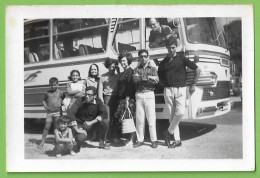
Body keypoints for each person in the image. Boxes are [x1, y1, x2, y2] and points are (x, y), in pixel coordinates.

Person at [158, 38, 201, 148]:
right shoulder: (163, 63)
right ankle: (177, 140)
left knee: (180, 112)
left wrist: (194, 84)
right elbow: (160, 77)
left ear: (175, 47)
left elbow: (197, 69)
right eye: (170, 47)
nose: (172, 50)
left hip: (180, 89)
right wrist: (166, 86)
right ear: (167, 48)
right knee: (172, 117)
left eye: (173, 47)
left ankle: (168, 133)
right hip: (168, 91)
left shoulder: (182, 58)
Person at [68, 86, 110, 151]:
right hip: (81, 124)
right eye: (86, 94)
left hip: (92, 123)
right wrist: (77, 129)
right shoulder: (80, 99)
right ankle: (77, 143)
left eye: (89, 95)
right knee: (80, 138)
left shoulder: (98, 101)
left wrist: (92, 122)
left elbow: (104, 114)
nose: (87, 97)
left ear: (95, 96)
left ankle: (102, 142)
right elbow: (71, 113)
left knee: (105, 122)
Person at [132, 49, 159, 149]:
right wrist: (150, 78)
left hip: (149, 94)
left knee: (151, 119)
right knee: (140, 120)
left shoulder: (153, 69)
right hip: (139, 95)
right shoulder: (136, 69)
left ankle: (154, 140)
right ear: (139, 58)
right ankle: (140, 139)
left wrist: (143, 78)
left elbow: (156, 81)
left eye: (145, 56)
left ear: (148, 57)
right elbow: (135, 80)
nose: (143, 58)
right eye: (141, 56)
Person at [114, 51, 136, 145]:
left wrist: (127, 99)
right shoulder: (124, 72)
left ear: (128, 60)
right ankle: (128, 138)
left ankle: (132, 139)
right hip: (122, 99)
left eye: (124, 61)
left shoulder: (130, 71)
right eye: (121, 61)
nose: (122, 63)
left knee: (130, 119)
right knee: (125, 119)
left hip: (128, 99)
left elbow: (130, 86)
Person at [38, 77, 65, 148]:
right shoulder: (47, 93)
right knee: (46, 127)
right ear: (49, 85)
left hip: (58, 113)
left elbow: (64, 100)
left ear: (58, 84)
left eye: (55, 85)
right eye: (51, 85)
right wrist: (46, 107)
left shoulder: (61, 93)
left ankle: (57, 141)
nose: (53, 86)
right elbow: (43, 100)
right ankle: (42, 141)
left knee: (56, 127)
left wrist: (62, 104)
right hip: (49, 113)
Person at [98, 58, 120, 143]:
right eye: (110, 66)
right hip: (107, 98)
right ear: (107, 66)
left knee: (115, 119)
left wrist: (118, 71)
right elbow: (100, 90)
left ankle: (115, 137)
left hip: (116, 98)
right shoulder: (103, 76)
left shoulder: (118, 76)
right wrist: (101, 101)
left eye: (113, 67)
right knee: (107, 119)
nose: (112, 68)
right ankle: (104, 138)